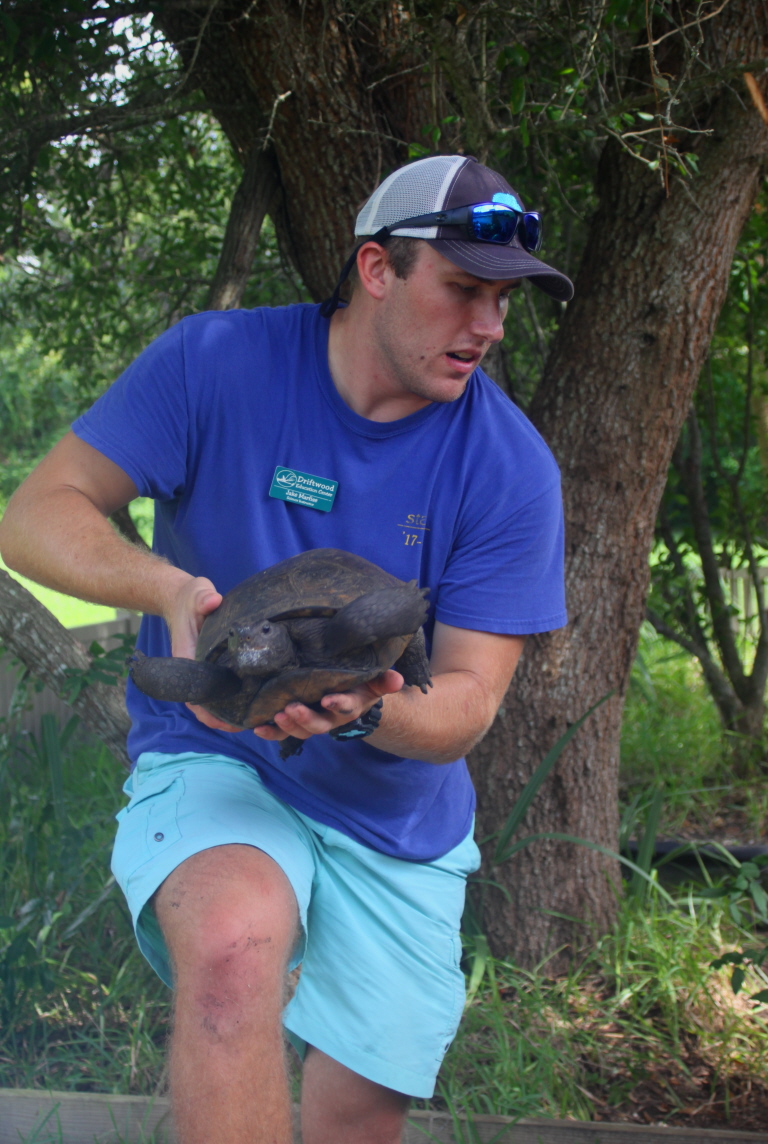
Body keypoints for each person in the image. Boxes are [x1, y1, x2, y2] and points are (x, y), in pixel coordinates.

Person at [0, 154, 573, 1144]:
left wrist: (362, 707)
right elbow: (33, 514)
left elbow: (468, 702)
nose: (487, 327)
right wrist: (165, 588)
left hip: (396, 806)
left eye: (503, 300)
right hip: (219, 749)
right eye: (464, 291)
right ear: (376, 269)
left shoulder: (508, 467)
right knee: (230, 948)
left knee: (355, 1117)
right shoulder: (213, 363)